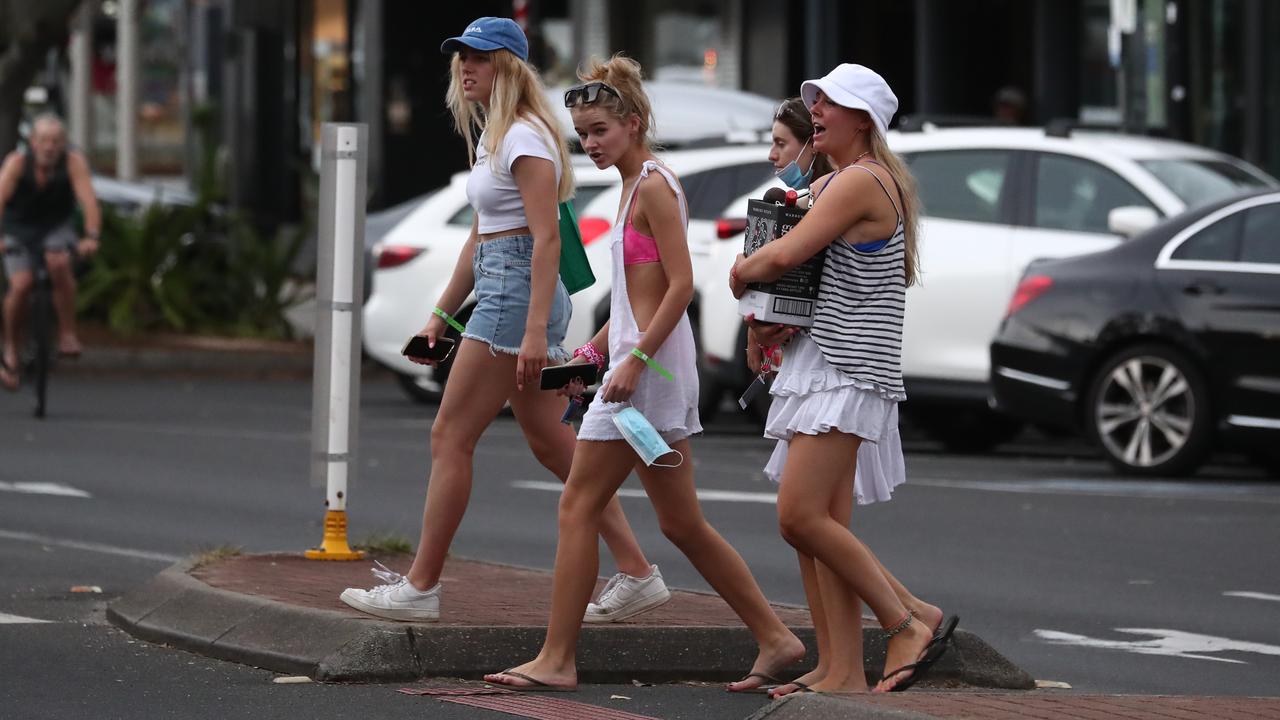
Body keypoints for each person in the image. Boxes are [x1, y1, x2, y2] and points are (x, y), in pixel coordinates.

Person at [483, 54, 804, 693]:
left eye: (601, 130)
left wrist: (630, 362)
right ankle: (776, 636)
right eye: (583, 135)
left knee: (577, 505)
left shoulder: (655, 184)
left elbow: (682, 286)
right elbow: (639, 299)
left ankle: (556, 660)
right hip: (641, 370)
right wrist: (595, 351)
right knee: (681, 522)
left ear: (633, 122)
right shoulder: (634, 183)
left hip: (647, 380)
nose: (591, 145)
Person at [340, 17, 668, 624]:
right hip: (503, 287)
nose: (466, 68)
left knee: (450, 436)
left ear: (510, 67)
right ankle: (638, 571)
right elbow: (482, 237)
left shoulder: (526, 138)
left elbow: (545, 242)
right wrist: (441, 314)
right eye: (461, 58)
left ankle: (421, 587)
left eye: (480, 59)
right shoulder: (498, 136)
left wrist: (536, 331)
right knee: (552, 444)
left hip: (517, 297)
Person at [730, 64, 958, 694]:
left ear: (863, 119)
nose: (817, 111)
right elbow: (812, 283)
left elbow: (783, 256)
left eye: (829, 103)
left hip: (849, 370)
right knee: (818, 533)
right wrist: (764, 327)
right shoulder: (841, 179)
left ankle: (906, 619)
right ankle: (841, 671)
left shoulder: (861, 180)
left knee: (799, 517)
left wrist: (741, 271)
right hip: (825, 362)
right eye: (816, 102)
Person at [0, 114, 101, 391]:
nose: (49, 147)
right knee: (20, 284)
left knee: (58, 262)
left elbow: (89, 201)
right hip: (18, 228)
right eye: (44, 140)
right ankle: (10, 347)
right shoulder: (17, 164)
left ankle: (67, 333)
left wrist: (91, 236)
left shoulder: (73, 162)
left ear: (64, 144)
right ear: (32, 143)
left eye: (56, 141)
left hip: (55, 226)